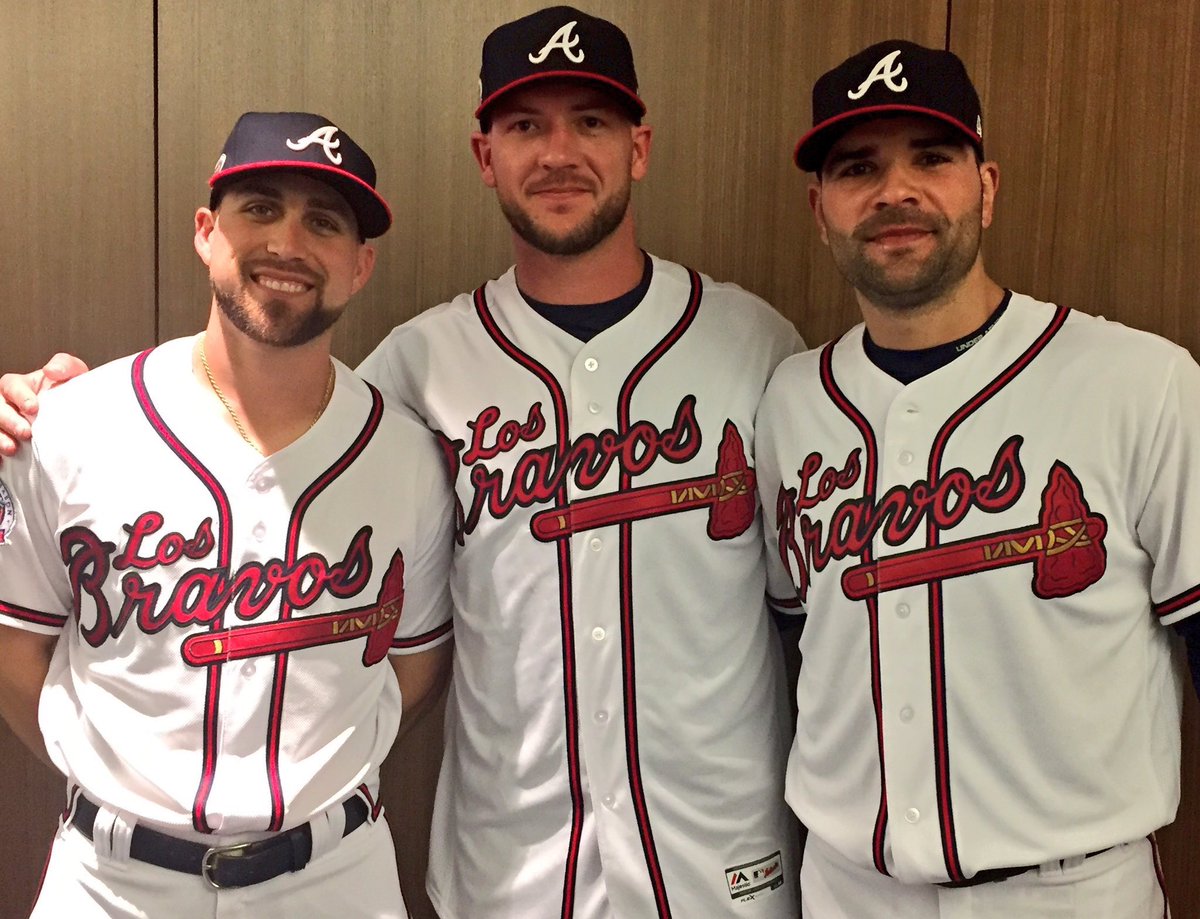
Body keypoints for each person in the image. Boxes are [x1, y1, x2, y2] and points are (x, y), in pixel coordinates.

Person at [1, 8, 804, 917]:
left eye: (591, 121)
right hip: (512, 856)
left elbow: (810, 602)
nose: (559, 152)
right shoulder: (415, 370)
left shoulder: (757, 344)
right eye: (525, 125)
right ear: (484, 155)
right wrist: (50, 407)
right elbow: (278, 434)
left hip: (722, 846)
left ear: (640, 146)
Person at [754, 39, 1200, 918]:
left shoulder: (1142, 381)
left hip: (1072, 890)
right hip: (847, 887)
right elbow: (795, 634)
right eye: (858, 167)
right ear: (821, 209)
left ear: (986, 187)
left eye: (932, 157)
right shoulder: (790, 400)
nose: (895, 192)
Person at [0, 111, 454, 917]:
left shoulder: (408, 459)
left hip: (336, 881)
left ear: (360, 265)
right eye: (260, 207)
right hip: (110, 886)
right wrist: (122, 784)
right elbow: (13, 653)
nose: (288, 241)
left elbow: (413, 668)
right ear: (207, 232)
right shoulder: (66, 424)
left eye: (323, 221)